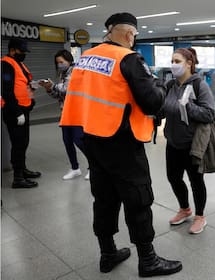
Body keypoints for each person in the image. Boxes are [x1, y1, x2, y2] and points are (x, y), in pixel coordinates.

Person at [59, 12, 182, 277]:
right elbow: (152, 102)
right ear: (129, 34)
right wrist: (160, 85)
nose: (133, 40)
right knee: (138, 198)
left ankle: (107, 254)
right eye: (134, 35)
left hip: (92, 138)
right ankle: (148, 261)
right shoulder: (128, 59)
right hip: (123, 141)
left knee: (103, 199)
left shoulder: (86, 59)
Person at [161, 48, 215, 234]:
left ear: (189, 64)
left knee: (196, 181)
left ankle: (200, 216)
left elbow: (209, 114)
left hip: (192, 144)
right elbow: (163, 109)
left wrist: (189, 107)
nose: (173, 64)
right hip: (172, 142)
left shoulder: (200, 85)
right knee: (173, 178)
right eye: (172, 61)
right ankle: (185, 209)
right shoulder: (170, 85)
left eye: (177, 61)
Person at [39, 50, 89, 180]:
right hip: (65, 112)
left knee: (79, 140)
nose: (59, 65)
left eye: (61, 62)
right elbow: (59, 95)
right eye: (57, 63)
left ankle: (93, 167)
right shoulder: (63, 74)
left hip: (77, 112)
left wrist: (54, 85)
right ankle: (75, 168)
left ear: (69, 60)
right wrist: (49, 89)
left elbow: (68, 89)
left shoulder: (75, 71)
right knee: (67, 141)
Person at [1, 38, 41, 188]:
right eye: (21, 51)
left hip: (23, 108)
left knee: (23, 142)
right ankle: (18, 178)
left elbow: (21, 84)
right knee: (18, 143)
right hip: (13, 110)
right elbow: (6, 91)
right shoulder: (5, 64)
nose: (23, 54)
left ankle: (22, 169)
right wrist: (17, 112)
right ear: (12, 50)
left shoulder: (19, 63)